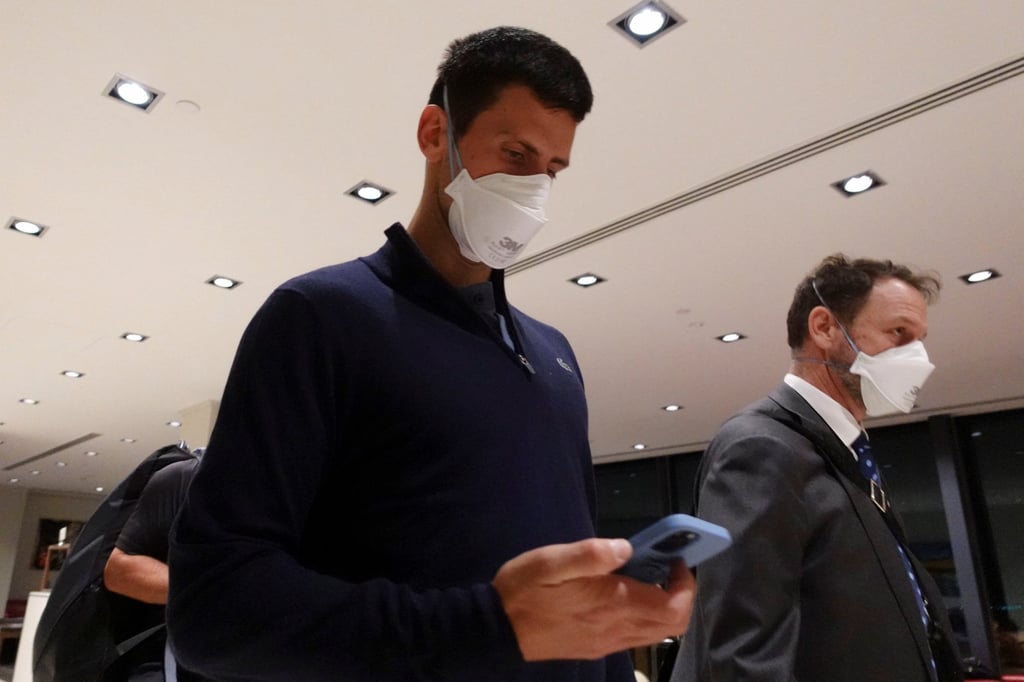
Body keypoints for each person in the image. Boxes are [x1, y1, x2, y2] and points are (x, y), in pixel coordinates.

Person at [167, 26, 694, 681]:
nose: (536, 190)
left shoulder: (555, 358)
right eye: (517, 155)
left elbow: (572, 589)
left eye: (552, 170)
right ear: (434, 133)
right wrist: (488, 627)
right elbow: (214, 610)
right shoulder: (321, 318)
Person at [670, 254, 964, 682]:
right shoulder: (761, 447)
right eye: (898, 333)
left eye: (919, 339)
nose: (918, 357)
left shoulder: (845, 452)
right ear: (824, 327)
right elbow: (744, 654)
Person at [105, 453, 200, 681]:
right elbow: (119, 569)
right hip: (168, 665)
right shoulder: (187, 476)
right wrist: (215, 590)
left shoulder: (295, 492)